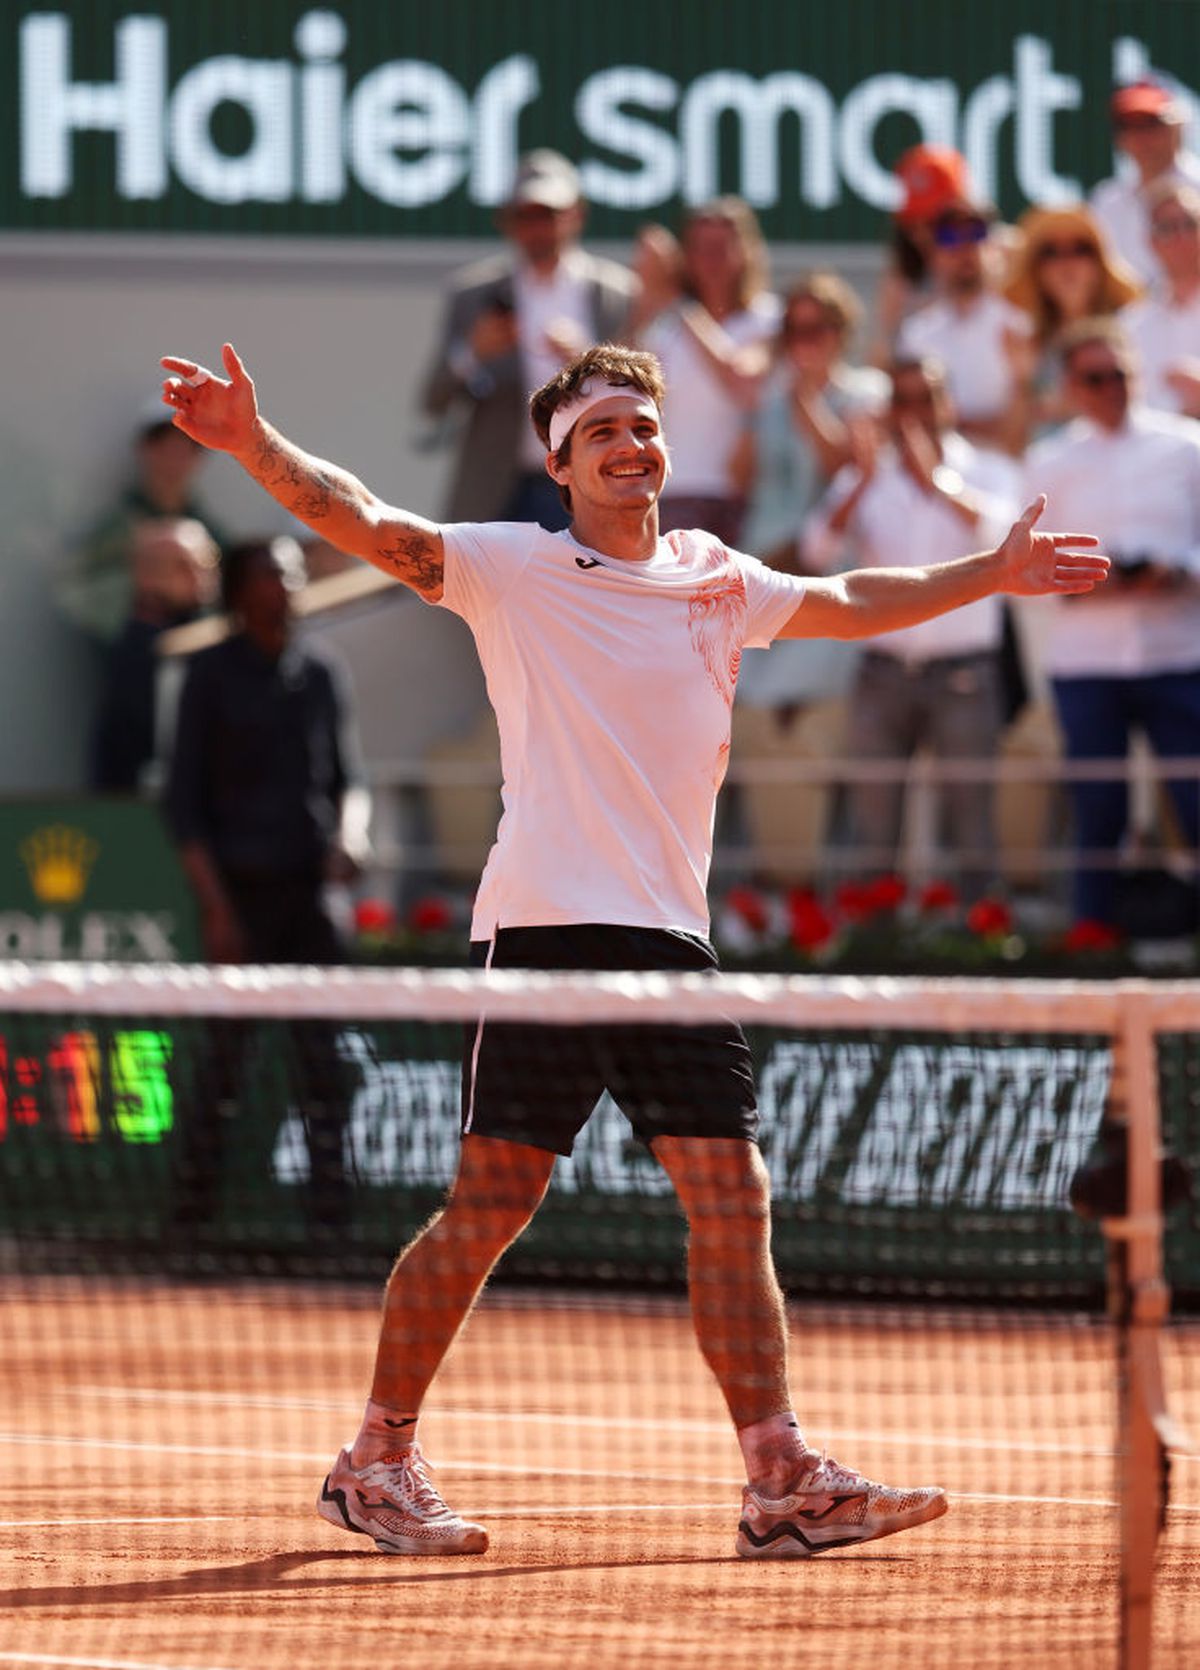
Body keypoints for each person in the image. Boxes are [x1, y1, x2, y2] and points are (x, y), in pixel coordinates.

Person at [160, 337, 1106, 1560]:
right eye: (602, 427)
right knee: (490, 1205)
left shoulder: (717, 576)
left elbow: (854, 599)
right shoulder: (512, 567)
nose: (631, 442)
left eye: (645, 425)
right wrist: (251, 443)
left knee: (733, 1193)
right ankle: (376, 1459)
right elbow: (365, 518)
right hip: (549, 929)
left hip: (672, 939)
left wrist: (991, 571)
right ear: (559, 463)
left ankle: (778, 1478)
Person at [163, 535, 371, 1235]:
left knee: (325, 1066)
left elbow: (350, 781)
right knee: (222, 1067)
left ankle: (331, 1226)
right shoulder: (208, 676)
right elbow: (183, 808)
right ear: (240, 589)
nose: (281, 584)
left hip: (310, 900)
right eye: (266, 574)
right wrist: (218, 913)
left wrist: (352, 834)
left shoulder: (322, 672)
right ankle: (188, 1224)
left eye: (289, 573)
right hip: (239, 900)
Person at [804, 357, 1021, 898]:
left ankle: (982, 952)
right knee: (872, 831)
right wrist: (862, 484)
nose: (915, 412)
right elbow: (816, 549)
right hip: (882, 672)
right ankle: (871, 952)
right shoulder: (866, 478)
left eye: (926, 397)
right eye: (903, 400)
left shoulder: (988, 469)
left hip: (964, 673)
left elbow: (1004, 540)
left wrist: (938, 484)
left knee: (971, 827)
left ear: (947, 404)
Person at [1024, 317, 1200, 928]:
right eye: (1095, 378)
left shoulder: (1186, 447)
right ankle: (1093, 942)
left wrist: (1175, 571)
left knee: (1196, 803)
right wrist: (1083, 586)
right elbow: (1021, 562)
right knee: (1099, 811)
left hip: (1177, 653)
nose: (1110, 389)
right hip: (1088, 660)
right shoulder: (1049, 460)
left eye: (1120, 375)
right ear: (1071, 386)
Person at [732, 274, 888, 884]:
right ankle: (760, 877)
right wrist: (755, 409)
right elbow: (741, 476)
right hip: (766, 563)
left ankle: (828, 882)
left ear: (841, 334)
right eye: (793, 331)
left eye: (817, 329)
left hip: (830, 577)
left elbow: (842, 470)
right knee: (752, 718)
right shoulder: (768, 401)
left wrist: (800, 399)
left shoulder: (865, 394)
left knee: (812, 721)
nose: (805, 341)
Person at [419, 149, 635, 528]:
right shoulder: (474, 294)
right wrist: (473, 353)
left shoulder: (616, 294)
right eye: (526, 216)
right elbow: (433, 399)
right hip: (500, 487)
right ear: (509, 223)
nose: (538, 228)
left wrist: (590, 362)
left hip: (589, 486)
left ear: (575, 216)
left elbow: (647, 396)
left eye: (549, 215)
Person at [630, 197, 779, 545]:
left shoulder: (769, 320)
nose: (711, 259)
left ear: (746, 251)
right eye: (700, 248)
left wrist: (681, 304)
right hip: (671, 497)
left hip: (744, 500)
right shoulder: (664, 329)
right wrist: (648, 294)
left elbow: (739, 377)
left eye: (722, 247)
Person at [62, 401, 226, 646]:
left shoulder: (211, 531)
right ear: (144, 449)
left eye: (186, 449)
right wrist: (140, 581)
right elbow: (72, 591)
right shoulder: (115, 527)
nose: (174, 460)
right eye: (164, 448)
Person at [895, 190, 1033, 457]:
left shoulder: (1021, 326)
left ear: (995, 246)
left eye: (976, 234)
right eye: (949, 237)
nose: (964, 248)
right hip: (935, 479)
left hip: (1008, 478)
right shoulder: (916, 334)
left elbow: (1022, 433)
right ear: (933, 252)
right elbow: (910, 427)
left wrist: (954, 425)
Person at [89, 516, 219, 792]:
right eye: (183, 566)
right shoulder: (138, 656)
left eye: (208, 562)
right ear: (144, 576)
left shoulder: (208, 640)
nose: (201, 575)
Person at [1002, 203, 1142, 437]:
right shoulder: (1024, 344)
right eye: (1051, 252)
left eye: (1081, 249)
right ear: (1036, 269)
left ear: (1099, 263)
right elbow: (1015, 444)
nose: (1067, 262)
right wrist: (1022, 382)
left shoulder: (1133, 329)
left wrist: (1069, 405)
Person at [1090, 78, 1200, 286]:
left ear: (1176, 127)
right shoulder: (1107, 200)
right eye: (1130, 127)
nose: (1142, 138)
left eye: (1151, 124)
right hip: (1129, 316)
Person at [1125, 181, 1200, 416]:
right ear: (1151, 242)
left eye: (1189, 224)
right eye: (1167, 228)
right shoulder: (1131, 325)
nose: (1181, 237)